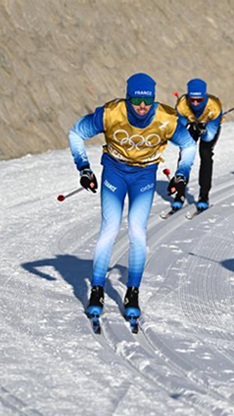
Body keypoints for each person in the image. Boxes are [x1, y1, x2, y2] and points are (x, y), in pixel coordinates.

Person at [68, 73, 178, 322]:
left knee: (137, 232)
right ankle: (96, 291)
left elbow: (189, 145)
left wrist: (181, 175)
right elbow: (76, 133)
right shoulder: (110, 113)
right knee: (108, 230)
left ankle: (132, 293)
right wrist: (84, 168)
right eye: (136, 101)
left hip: (144, 178)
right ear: (127, 98)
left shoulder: (166, 118)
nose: (142, 107)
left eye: (147, 102)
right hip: (114, 174)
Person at [168, 78, 224, 212]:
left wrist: (203, 130)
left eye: (199, 100)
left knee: (205, 153)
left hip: (209, 127)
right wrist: (189, 127)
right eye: (192, 100)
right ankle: (180, 192)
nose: (195, 103)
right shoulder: (182, 104)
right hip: (192, 125)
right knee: (186, 151)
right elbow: (180, 128)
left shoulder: (214, 106)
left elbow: (209, 135)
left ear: (204, 97)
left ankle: (204, 196)